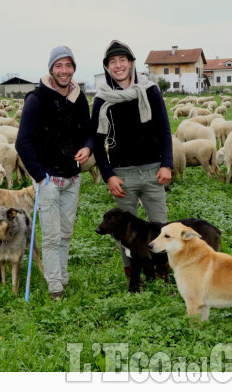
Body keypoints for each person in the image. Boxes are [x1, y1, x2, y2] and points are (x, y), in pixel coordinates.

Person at [90, 40, 173, 285]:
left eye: (122, 60)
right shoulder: (102, 99)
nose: (118, 65)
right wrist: (108, 175)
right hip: (122, 175)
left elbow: (164, 129)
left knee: (161, 228)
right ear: (107, 67)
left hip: (152, 171)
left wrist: (166, 164)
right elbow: (97, 142)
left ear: (131, 63)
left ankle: (162, 272)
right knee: (123, 231)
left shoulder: (150, 91)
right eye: (112, 62)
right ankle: (132, 273)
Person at [15, 45, 93, 301]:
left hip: (72, 178)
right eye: (59, 65)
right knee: (50, 236)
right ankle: (54, 288)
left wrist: (87, 147)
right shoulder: (36, 99)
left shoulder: (79, 97)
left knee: (66, 233)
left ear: (73, 69)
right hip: (48, 180)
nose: (64, 70)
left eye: (68, 65)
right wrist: (40, 177)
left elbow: (88, 131)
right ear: (51, 69)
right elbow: (22, 142)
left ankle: (62, 276)